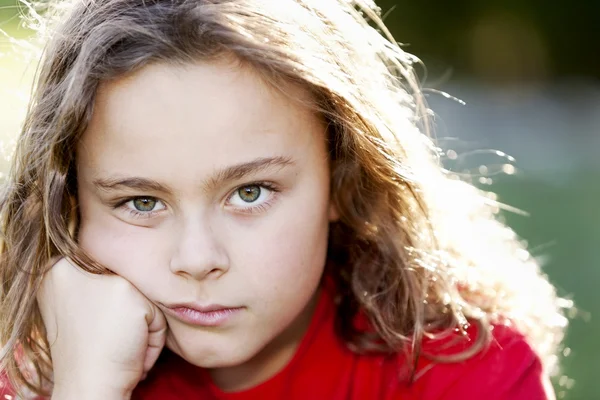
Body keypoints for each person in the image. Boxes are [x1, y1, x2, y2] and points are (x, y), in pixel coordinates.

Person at [0, 0, 568, 399]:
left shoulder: (464, 367)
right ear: (69, 202)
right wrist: (87, 387)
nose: (197, 259)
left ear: (342, 178)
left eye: (250, 192)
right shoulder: (39, 369)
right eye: (141, 202)